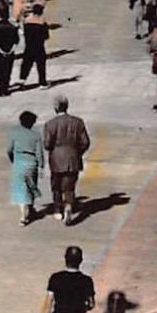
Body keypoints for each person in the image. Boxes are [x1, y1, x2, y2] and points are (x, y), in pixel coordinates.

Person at [43, 95, 91, 226]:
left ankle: (58, 209)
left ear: (55, 108)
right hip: (73, 159)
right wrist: (77, 153)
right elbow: (85, 142)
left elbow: (47, 144)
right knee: (69, 187)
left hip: (56, 159)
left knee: (56, 185)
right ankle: (69, 206)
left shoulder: (50, 124)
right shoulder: (78, 122)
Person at [8, 110, 44, 226]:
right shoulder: (36, 135)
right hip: (31, 163)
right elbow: (39, 153)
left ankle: (23, 215)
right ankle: (31, 208)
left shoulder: (14, 132)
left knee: (20, 188)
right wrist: (41, 166)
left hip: (18, 162)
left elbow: (9, 149)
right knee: (31, 186)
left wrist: (13, 159)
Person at [0, 15, 19, 97]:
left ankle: (1, 86)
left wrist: (1, 51)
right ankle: (5, 88)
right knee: (7, 71)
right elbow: (16, 41)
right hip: (10, 52)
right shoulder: (13, 27)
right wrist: (11, 51)